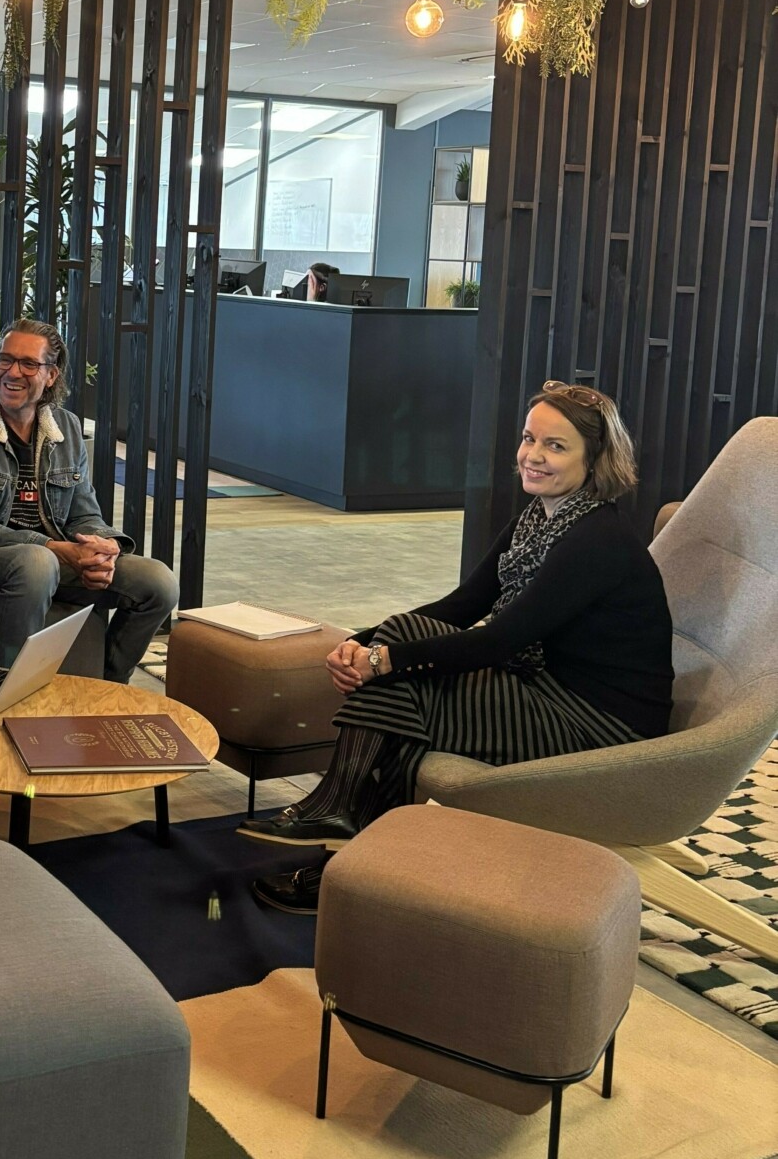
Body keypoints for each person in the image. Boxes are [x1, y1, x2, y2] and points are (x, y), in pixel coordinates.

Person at [240, 380, 674, 913]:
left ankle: (343, 827)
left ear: (596, 460)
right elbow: (463, 605)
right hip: (545, 687)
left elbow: (499, 639)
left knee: (405, 680)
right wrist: (361, 642)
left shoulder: (596, 539)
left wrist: (382, 660)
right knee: (404, 660)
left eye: (555, 446)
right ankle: (350, 851)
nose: (532, 456)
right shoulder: (540, 519)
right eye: (528, 438)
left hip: (600, 723)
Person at [0, 319, 179, 681]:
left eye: (28, 364)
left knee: (158, 581)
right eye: (4, 360)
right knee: (36, 563)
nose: (12, 372)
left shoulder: (66, 427)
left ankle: (105, 685)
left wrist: (102, 546)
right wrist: (56, 548)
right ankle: (6, 694)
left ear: (51, 375)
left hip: (49, 562)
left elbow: (84, 512)